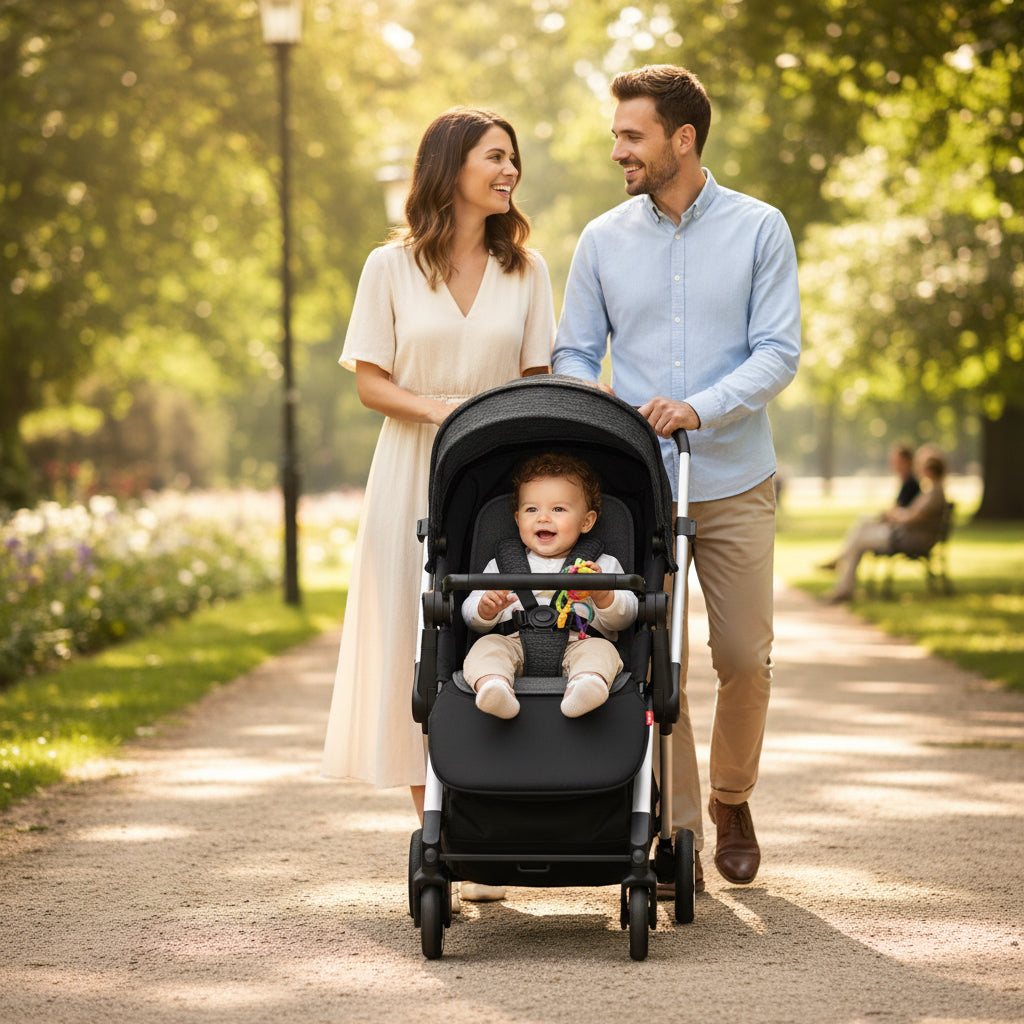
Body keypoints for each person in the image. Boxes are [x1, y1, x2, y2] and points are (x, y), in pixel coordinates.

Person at [552, 65, 801, 892]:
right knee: (657, 658)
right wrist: (604, 406)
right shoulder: (601, 239)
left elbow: (778, 352)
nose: (616, 148)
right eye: (618, 133)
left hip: (732, 474)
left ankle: (731, 796)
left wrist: (700, 406)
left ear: (681, 140)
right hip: (637, 484)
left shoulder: (761, 228)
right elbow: (575, 352)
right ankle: (678, 833)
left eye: (632, 135)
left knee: (742, 657)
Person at [321, 107, 555, 902]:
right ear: (451, 165)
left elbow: (535, 381)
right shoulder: (388, 267)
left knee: (491, 629)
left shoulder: (528, 269)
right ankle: (442, 836)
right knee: (415, 641)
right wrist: (441, 413)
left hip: (497, 472)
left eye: (513, 159)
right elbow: (370, 382)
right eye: (495, 156)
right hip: (413, 466)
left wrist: (499, 443)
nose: (509, 170)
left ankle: (490, 819)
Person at [462, 453, 638, 719]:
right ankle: (494, 686)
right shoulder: (502, 564)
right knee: (486, 648)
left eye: (558, 509)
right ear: (518, 518)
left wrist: (603, 594)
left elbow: (625, 617)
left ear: (587, 521)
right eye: (532, 509)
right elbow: (470, 614)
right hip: (513, 641)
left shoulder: (600, 565)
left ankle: (585, 686)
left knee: (603, 652)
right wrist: (486, 609)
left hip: (579, 641)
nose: (543, 518)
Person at [825, 451, 948, 603]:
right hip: (905, 536)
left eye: (922, 467)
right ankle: (843, 578)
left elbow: (914, 518)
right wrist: (897, 514)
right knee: (862, 526)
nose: (919, 470)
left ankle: (844, 585)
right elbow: (913, 515)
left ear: (929, 470)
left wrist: (895, 515)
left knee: (859, 539)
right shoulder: (933, 492)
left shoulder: (933, 494)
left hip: (907, 539)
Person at [820, 444, 920, 571]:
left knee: (861, 532)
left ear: (907, 461)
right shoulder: (907, 482)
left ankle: (841, 561)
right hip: (897, 531)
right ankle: (841, 561)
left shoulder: (911, 484)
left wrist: (888, 514)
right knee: (862, 523)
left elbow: (900, 512)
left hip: (899, 535)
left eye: (897, 461)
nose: (893, 465)